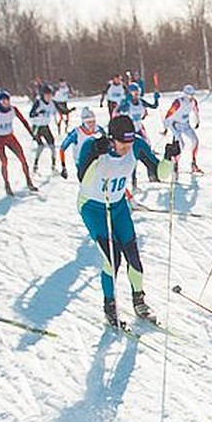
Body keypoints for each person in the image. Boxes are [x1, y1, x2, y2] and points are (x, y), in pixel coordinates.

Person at [75, 115, 160, 327]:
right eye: (123, 143)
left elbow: (159, 171)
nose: (127, 147)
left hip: (119, 206)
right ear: (112, 139)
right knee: (112, 259)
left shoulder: (136, 145)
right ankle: (110, 306)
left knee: (133, 255)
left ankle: (139, 301)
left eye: (130, 142)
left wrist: (168, 157)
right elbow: (81, 177)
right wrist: (96, 154)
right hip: (93, 208)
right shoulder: (92, 145)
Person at [0, 91, 36, 194]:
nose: (5, 103)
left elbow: (23, 120)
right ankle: (7, 184)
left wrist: (31, 133)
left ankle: (29, 181)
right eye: (3, 101)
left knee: (22, 158)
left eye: (7, 100)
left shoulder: (13, 109)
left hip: (10, 136)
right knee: (4, 161)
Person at [162, 85, 202, 175]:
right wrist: (165, 127)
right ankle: (175, 164)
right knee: (181, 144)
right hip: (175, 125)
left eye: (192, 95)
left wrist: (197, 121)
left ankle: (193, 163)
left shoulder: (193, 102)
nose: (190, 97)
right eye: (188, 95)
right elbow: (169, 113)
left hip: (185, 125)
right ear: (184, 94)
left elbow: (196, 111)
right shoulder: (178, 102)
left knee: (195, 141)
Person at [60, 107, 105, 179]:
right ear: (84, 122)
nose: (92, 124)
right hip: (82, 164)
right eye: (89, 122)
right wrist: (63, 167)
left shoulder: (99, 129)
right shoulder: (76, 133)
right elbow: (62, 148)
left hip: (97, 162)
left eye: (94, 121)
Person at [28, 85, 59, 173]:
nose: (49, 97)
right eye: (47, 95)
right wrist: (38, 113)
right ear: (43, 95)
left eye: (50, 95)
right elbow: (31, 114)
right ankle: (35, 165)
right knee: (40, 146)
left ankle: (53, 166)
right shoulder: (38, 103)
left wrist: (69, 111)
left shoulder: (52, 103)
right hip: (36, 127)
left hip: (45, 127)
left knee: (52, 145)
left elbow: (61, 110)